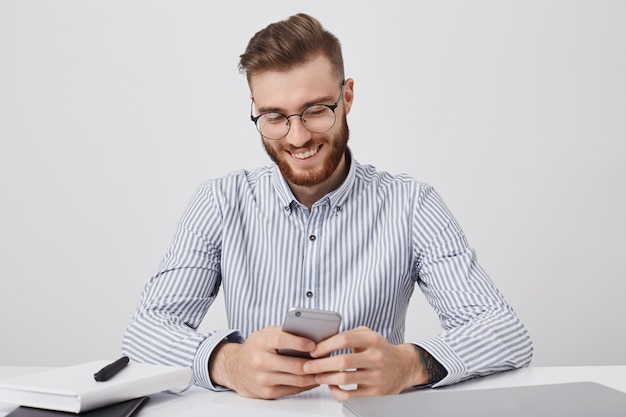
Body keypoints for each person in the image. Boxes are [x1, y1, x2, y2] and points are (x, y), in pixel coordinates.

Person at [122, 13, 533, 401]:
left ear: (347, 96)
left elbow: (504, 332)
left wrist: (410, 364)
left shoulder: (412, 205)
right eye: (274, 116)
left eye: (316, 110)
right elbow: (144, 332)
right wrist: (226, 363)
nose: (297, 137)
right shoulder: (220, 202)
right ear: (255, 109)